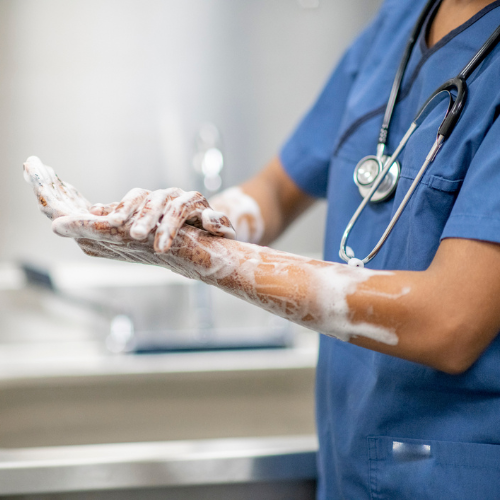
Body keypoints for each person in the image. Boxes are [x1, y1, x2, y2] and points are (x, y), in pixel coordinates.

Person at [24, 0, 500, 497]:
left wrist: (206, 257)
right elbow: (274, 192)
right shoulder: (400, 23)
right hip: (350, 471)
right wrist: (186, 219)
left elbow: (450, 321)